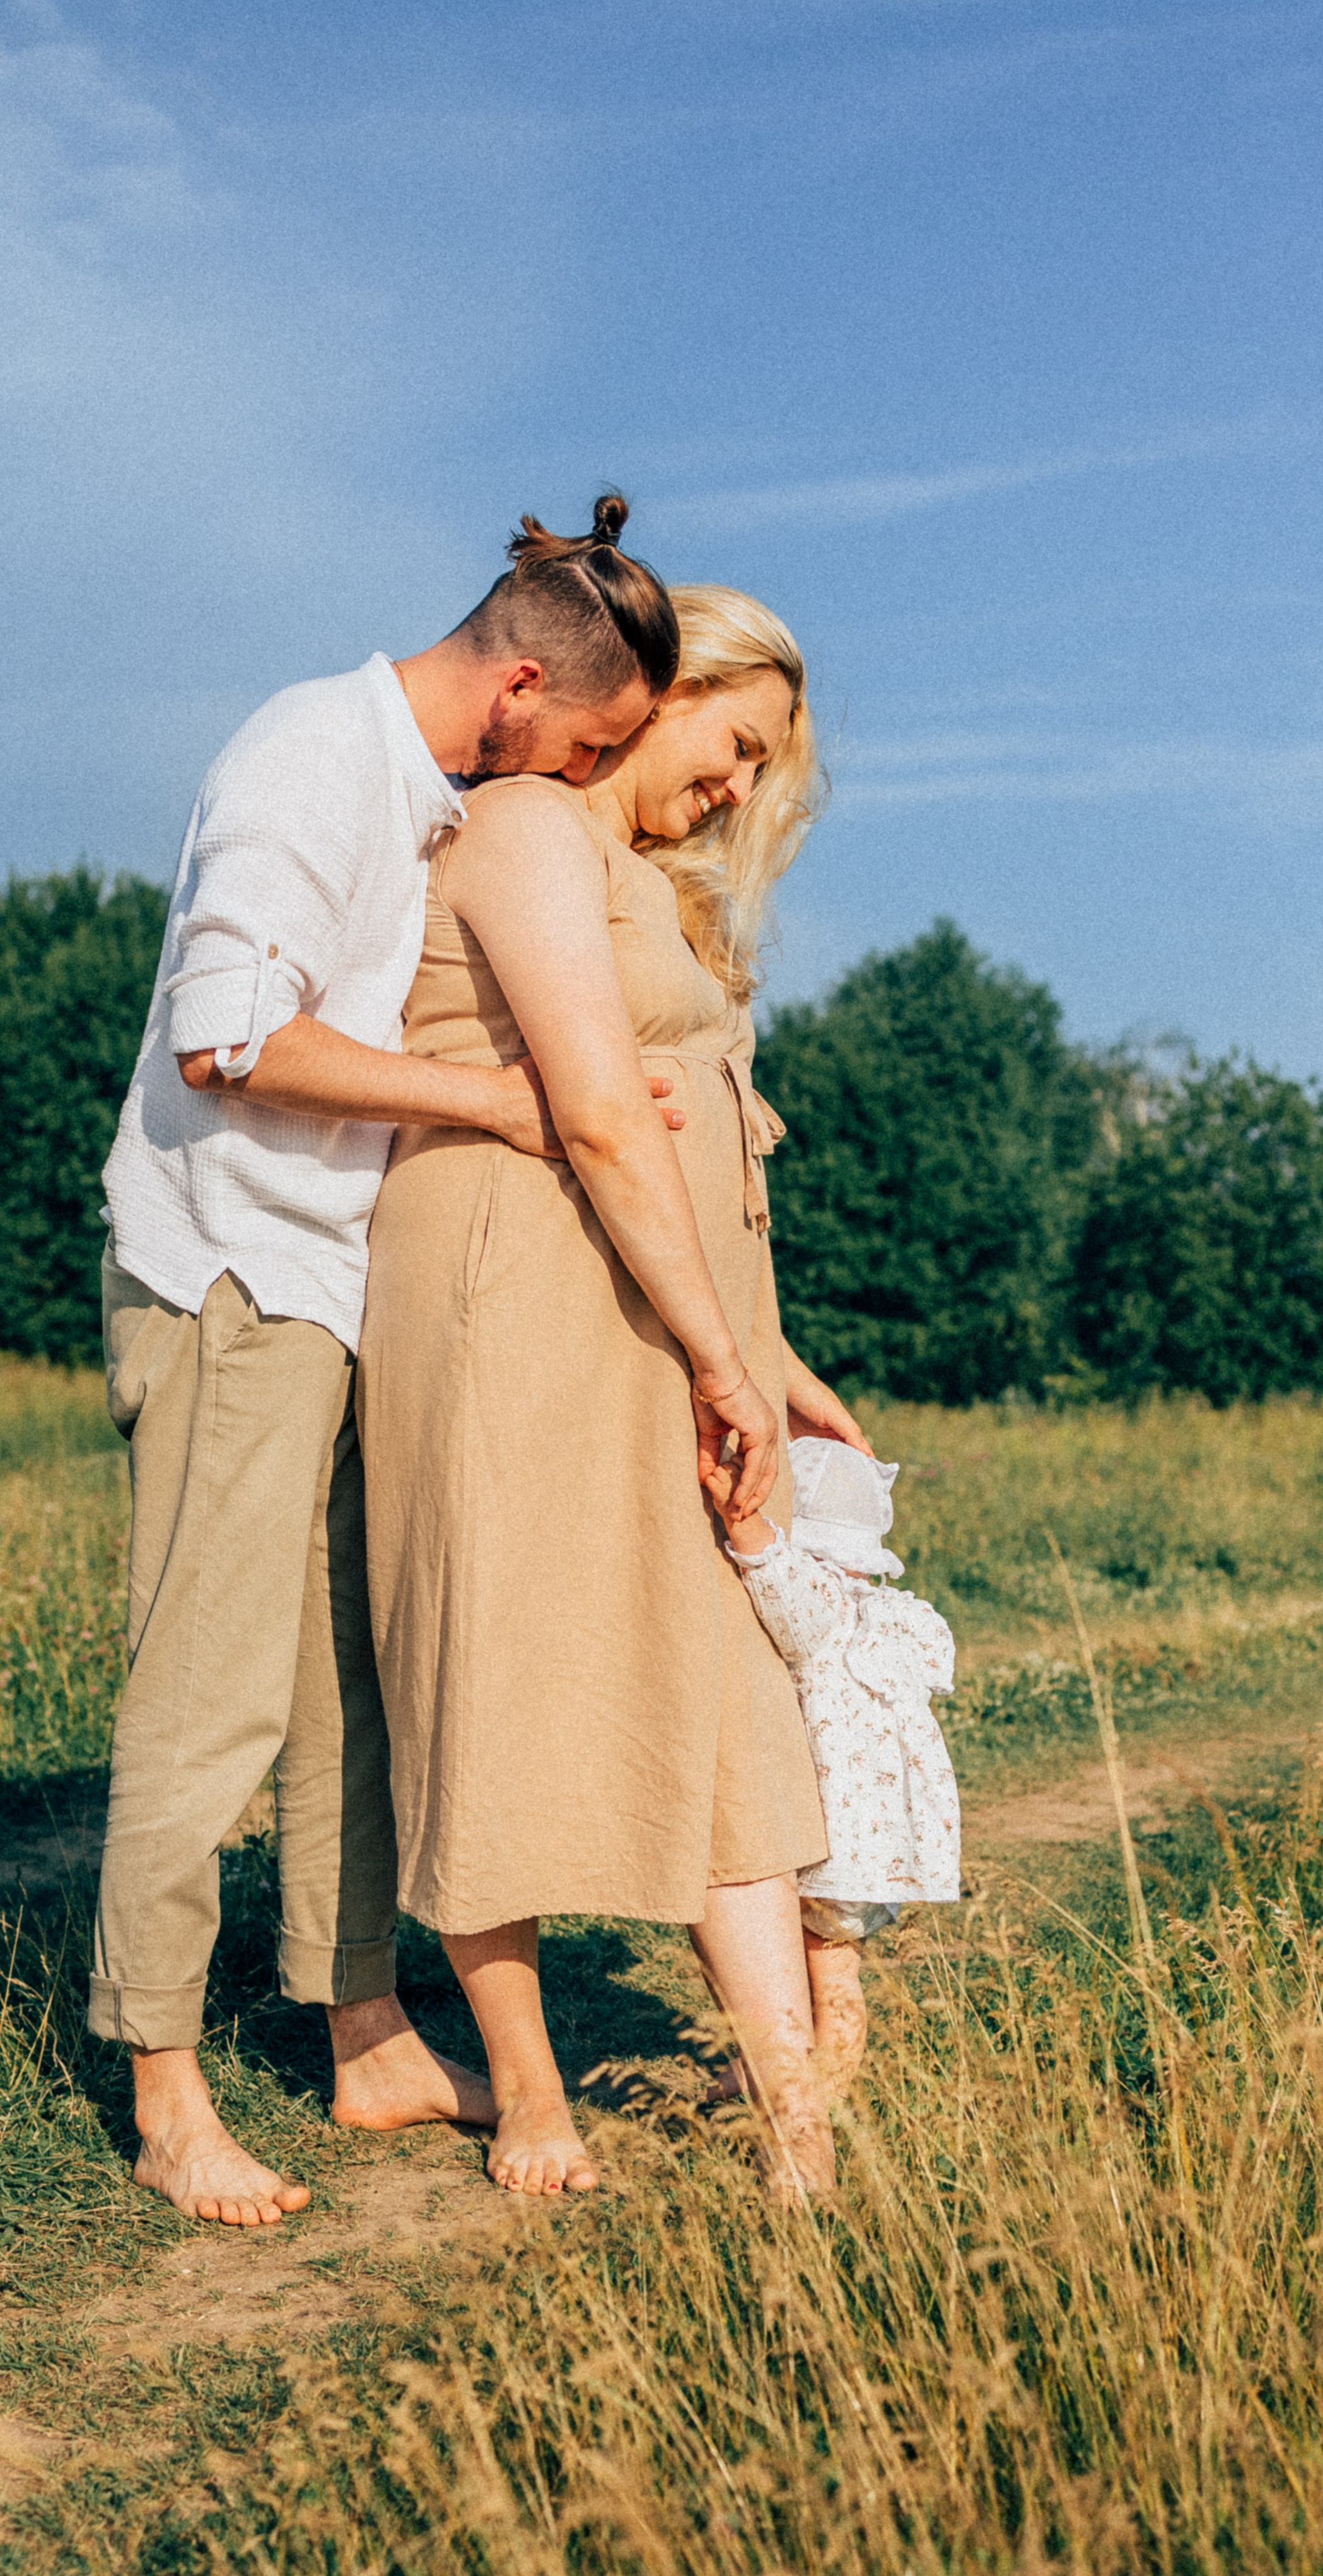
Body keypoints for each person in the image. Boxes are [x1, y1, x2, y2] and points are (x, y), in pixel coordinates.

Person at [95, 497, 682, 2227]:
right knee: (211, 1696)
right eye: (590, 744)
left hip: (342, 1285)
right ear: (519, 681)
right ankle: (163, 2083)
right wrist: (504, 1103)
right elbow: (228, 1036)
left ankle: (362, 2026)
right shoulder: (304, 760)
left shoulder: (441, 794)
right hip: (230, 1271)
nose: (585, 777)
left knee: (355, 1680)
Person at [359, 585, 871, 2201]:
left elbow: (696, 1140)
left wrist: (771, 1365)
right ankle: (527, 2085)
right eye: (730, 747)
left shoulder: (648, 883)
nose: (733, 790)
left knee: (722, 1674)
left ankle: (799, 2122)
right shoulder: (525, 830)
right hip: (516, 1293)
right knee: (487, 1658)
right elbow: (593, 1113)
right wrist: (723, 1355)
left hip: (653, 1305)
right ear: (656, 695)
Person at [704, 1437, 961, 2099]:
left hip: (829, 1851)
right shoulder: (895, 1616)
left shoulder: (821, 1612)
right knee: (829, 1970)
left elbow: (773, 1571)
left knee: (817, 1972)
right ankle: (768, 2071)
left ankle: (821, 2097)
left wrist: (741, 1513)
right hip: (879, 1851)